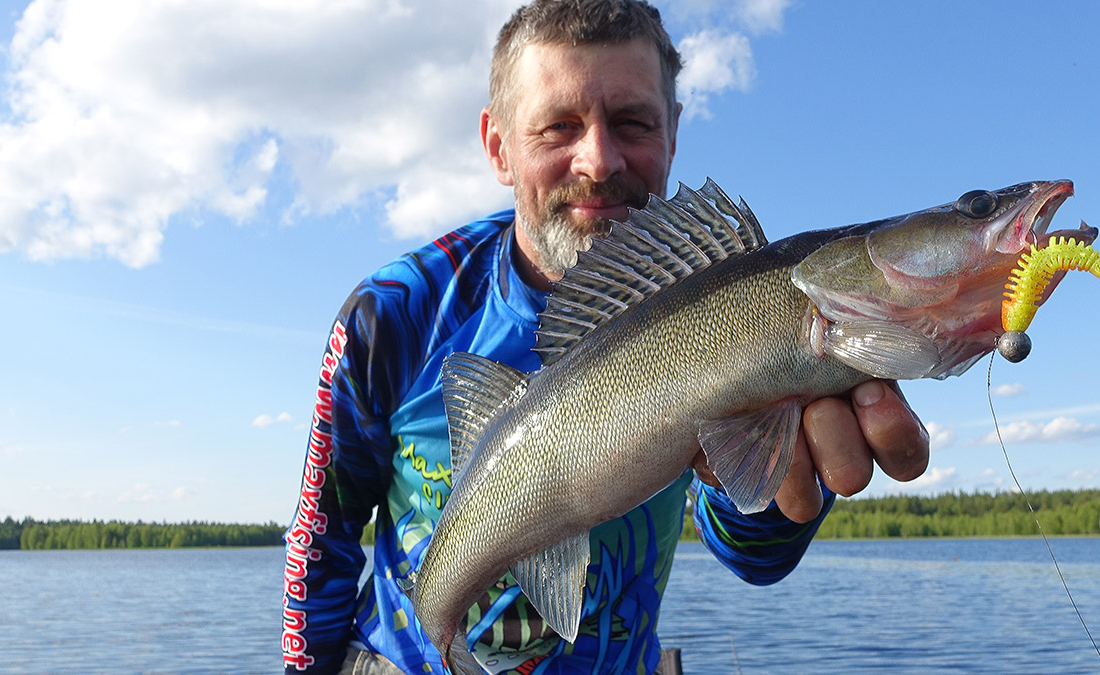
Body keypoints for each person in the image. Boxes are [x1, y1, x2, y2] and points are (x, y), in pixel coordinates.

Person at [281, 1, 930, 674]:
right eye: (558, 126)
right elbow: (319, 545)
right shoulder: (395, 313)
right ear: (499, 145)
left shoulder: (748, 306)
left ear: (672, 133)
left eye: (633, 123)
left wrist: (775, 487)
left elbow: (753, 557)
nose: (598, 160)